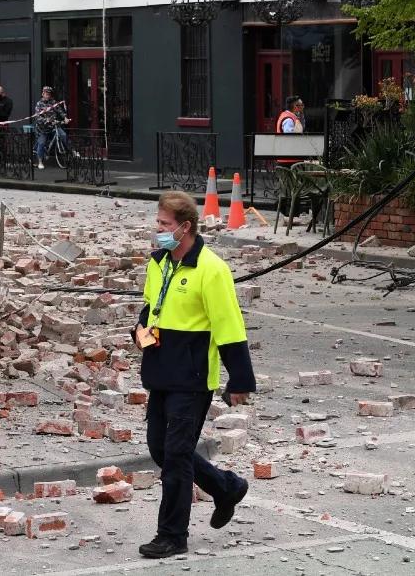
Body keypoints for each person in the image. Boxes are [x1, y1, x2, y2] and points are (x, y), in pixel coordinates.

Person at [133, 191, 255, 559]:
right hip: (159, 371)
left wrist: (241, 380)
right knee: (162, 449)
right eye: (158, 223)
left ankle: (172, 535)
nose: (158, 231)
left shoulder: (212, 269)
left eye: (165, 225)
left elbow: (229, 327)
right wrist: (140, 330)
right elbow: (151, 308)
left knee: (176, 456)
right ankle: (226, 487)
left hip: (192, 377)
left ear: (185, 227)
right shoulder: (159, 263)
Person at [33, 86, 69, 170]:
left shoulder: (53, 102)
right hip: (42, 128)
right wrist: (46, 120)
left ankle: (72, 151)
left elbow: (59, 110)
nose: (48, 95)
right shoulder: (39, 104)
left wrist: (65, 118)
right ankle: (40, 161)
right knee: (41, 143)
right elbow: (37, 117)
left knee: (63, 135)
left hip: (53, 126)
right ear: (43, 94)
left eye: (49, 94)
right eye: (46, 93)